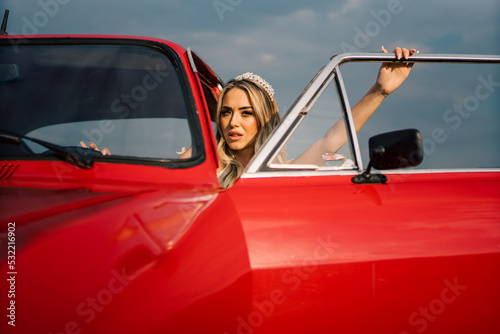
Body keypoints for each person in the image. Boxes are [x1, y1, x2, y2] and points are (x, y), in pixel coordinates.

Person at [82, 46, 418, 189]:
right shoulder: (201, 163)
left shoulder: (281, 172)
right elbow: (155, 182)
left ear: (263, 118)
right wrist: (108, 168)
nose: (232, 123)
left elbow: (332, 139)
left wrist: (380, 89)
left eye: (246, 113)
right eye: (226, 112)